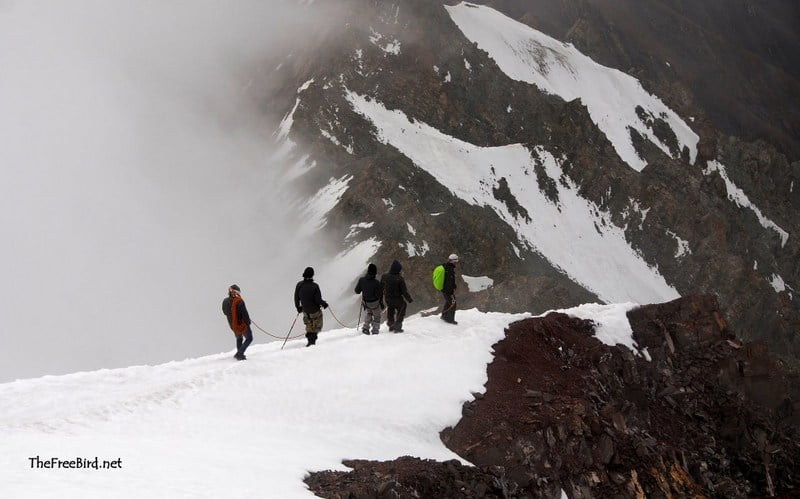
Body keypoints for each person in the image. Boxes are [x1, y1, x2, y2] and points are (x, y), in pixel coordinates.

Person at [294, 267, 328, 346]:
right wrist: (324, 304)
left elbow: (296, 298)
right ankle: (311, 342)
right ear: (312, 275)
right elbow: (318, 300)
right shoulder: (315, 286)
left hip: (305, 310)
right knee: (316, 325)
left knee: (308, 324)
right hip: (315, 311)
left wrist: (298, 308)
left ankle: (310, 339)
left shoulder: (299, 285)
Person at [221, 284, 253, 360]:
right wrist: (248, 322)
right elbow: (244, 314)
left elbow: (225, 312)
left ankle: (239, 355)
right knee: (249, 338)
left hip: (232, 325)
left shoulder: (225, 301)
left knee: (239, 338)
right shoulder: (239, 301)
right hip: (241, 324)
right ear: (236, 292)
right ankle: (239, 354)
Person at [381, 259, 413, 332]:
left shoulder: (385, 276)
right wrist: (409, 299)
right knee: (402, 308)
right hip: (397, 299)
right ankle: (397, 326)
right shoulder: (400, 278)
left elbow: (381, 286)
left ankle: (391, 323)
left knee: (390, 309)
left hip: (387, 298)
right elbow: (404, 291)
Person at [354, 263, 383, 335]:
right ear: (375, 272)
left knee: (369, 313)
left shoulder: (362, 280)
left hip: (366, 302)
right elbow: (378, 295)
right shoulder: (376, 283)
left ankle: (365, 328)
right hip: (375, 303)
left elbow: (357, 291)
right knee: (377, 316)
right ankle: (375, 330)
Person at [441, 254, 458, 325]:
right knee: (453, 303)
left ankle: (444, 315)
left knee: (448, 302)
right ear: (453, 261)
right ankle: (449, 319)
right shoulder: (449, 270)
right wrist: (451, 289)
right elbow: (449, 282)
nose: (456, 263)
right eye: (456, 261)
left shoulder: (445, 267)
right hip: (447, 290)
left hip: (444, 289)